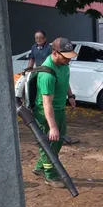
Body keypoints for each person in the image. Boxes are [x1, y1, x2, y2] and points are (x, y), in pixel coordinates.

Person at [32, 38, 78, 188]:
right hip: (45, 112)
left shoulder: (63, 64)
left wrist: (70, 96)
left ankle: (40, 167)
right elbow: (47, 104)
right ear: (55, 53)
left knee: (59, 139)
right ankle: (50, 175)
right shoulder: (47, 73)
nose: (69, 60)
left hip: (59, 108)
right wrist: (52, 127)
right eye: (66, 57)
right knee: (49, 142)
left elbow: (66, 80)